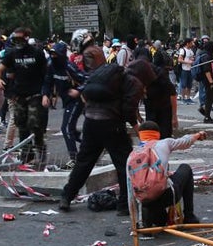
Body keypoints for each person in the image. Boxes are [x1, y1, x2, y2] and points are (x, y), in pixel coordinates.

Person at [58, 59, 152, 211]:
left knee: (84, 162)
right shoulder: (134, 83)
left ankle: (66, 196)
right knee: (124, 164)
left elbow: (85, 93)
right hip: (111, 125)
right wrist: (139, 131)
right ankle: (124, 205)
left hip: (90, 121)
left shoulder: (108, 76)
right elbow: (128, 111)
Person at [127, 122, 206, 227]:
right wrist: (198, 135)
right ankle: (189, 216)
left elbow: (129, 189)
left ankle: (146, 221)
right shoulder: (164, 143)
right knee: (185, 168)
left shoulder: (132, 155)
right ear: (157, 134)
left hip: (144, 200)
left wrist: (135, 220)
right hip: (166, 196)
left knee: (160, 221)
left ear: (140, 135)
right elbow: (185, 142)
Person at [0, 27, 51, 165]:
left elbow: (46, 75)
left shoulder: (37, 53)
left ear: (26, 38)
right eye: (15, 39)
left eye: (20, 39)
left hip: (35, 94)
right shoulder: (12, 54)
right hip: (19, 95)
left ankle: (40, 151)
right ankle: (27, 154)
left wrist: (46, 94)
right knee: (21, 125)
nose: (18, 42)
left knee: (35, 124)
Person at [196, 39, 213, 124]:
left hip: (208, 79)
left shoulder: (206, 54)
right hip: (207, 80)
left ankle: (205, 109)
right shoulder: (206, 56)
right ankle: (207, 117)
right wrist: (211, 82)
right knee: (210, 97)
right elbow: (207, 70)